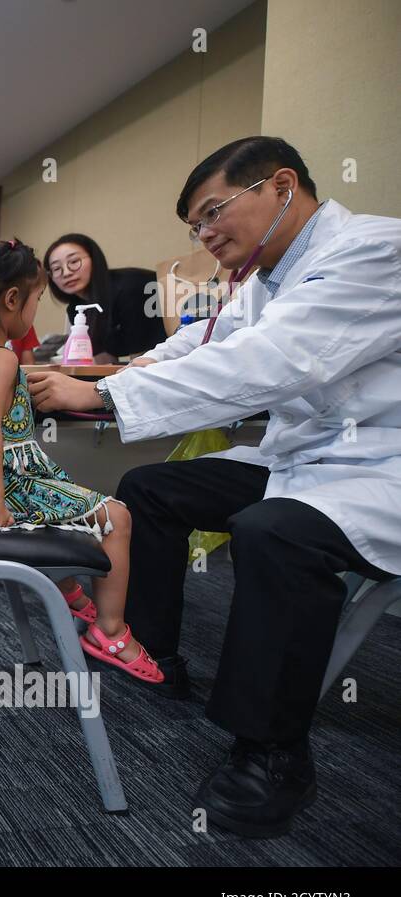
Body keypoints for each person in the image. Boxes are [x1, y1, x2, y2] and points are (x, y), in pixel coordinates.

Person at [28, 136, 401, 837]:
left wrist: (101, 400)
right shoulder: (264, 282)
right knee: (153, 488)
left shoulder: (376, 251)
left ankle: (270, 753)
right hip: (302, 461)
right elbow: (200, 345)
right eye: (194, 225)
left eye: (212, 212)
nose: (203, 236)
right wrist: (100, 379)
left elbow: (274, 361)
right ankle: (152, 650)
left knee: (275, 532)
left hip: (379, 470)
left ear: (281, 186)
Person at [0, 239, 160, 683]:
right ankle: (109, 631)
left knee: (57, 510)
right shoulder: (0, 357)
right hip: (2, 485)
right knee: (117, 518)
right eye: (36, 300)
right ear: (12, 300)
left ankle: (69, 588)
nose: (36, 310)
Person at [44, 234, 165, 362]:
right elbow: (103, 359)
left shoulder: (130, 288)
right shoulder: (76, 308)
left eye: (74, 262)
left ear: (94, 259)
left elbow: (143, 357)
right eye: (56, 268)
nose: (66, 273)